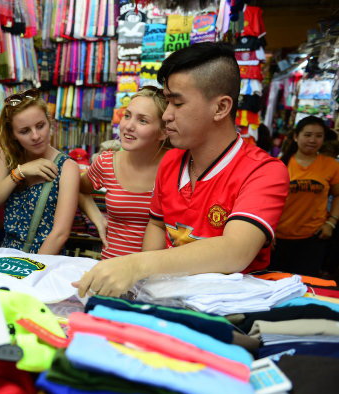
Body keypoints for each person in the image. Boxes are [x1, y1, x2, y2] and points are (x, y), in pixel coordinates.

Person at [75, 42, 290, 298]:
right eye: (167, 103)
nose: (166, 115)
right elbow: (157, 225)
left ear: (220, 107)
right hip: (165, 299)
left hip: (226, 307)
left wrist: (136, 265)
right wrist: (145, 285)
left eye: (177, 104)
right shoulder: (171, 161)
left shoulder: (264, 172)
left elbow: (236, 251)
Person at [0, 89, 79, 254]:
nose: (35, 136)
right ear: (13, 134)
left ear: (50, 123)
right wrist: (20, 172)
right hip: (7, 257)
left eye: (40, 126)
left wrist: (30, 270)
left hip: (44, 262)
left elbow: (60, 234)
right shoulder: (9, 157)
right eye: (24, 131)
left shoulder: (67, 166)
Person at [79, 86, 170, 259]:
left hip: (155, 278)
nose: (128, 126)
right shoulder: (106, 162)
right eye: (127, 116)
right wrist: (98, 219)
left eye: (142, 121)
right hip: (110, 269)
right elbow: (79, 189)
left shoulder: (177, 166)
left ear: (163, 132)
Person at [270, 116, 339, 276]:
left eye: (318, 136)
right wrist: (267, 231)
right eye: (307, 135)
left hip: (313, 239)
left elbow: (337, 195)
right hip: (278, 239)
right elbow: (266, 202)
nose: (313, 140)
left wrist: (331, 223)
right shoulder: (278, 164)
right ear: (296, 136)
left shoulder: (331, 166)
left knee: (306, 288)